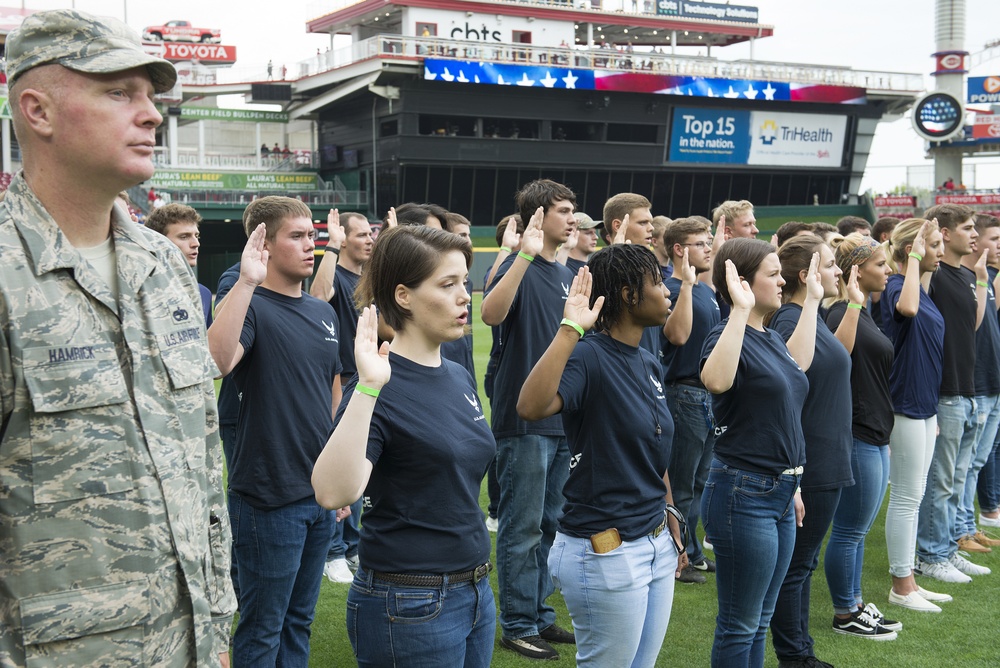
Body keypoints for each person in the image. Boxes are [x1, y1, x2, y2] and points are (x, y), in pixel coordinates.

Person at [0, 9, 235, 666]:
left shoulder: (162, 268)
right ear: (37, 111)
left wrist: (215, 631)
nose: (153, 114)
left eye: (152, 96)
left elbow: (201, 468)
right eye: (119, 92)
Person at [312, 225, 496, 667]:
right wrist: (370, 388)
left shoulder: (455, 374)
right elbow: (332, 492)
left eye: (463, 282)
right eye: (447, 284)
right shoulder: (377, 384)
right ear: (404, 295)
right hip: (409, 602)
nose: (464, 296)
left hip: (475, 591)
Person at [517, 244, 684, 666]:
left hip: (653, 542)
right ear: (628, 294)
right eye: (658, 283)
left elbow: (654, 447)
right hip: (606, 551)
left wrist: (669, 513)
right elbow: (530, 407)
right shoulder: (588, 355)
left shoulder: (647, 360)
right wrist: (570, 329)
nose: (668, 292)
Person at [207, 196, 343, 666]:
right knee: (263, 628)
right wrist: (247, 280)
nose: (312, 246)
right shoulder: (249, 302)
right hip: (268, 498)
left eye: (313, 235)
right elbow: (218, 362)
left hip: (317, 498)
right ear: (263, 243)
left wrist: (336, 479)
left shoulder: (323, 313)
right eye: (298, 236)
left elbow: (332, 393)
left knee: (298, 622)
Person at [769, 236, 891, 667]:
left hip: (829, 458)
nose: (840, 271)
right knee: (796, 566)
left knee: (803, 563)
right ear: (806, 276)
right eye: (831, 266)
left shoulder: (812, 317)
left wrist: (854, 304)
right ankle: (796, 656)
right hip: (812, 463)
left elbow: (835, 356)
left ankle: (800, 653)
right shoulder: (789, 320)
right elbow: (788, 376)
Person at [700, 238, 820, 667]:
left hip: (782, 491)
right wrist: (738, 309)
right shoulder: (726, 333)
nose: (783, 280)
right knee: (740, 623)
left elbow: (799, 366)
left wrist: (813, 303)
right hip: (743, 493)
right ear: (743, 283)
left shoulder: (768, 337)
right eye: (773, 273)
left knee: (760, 617)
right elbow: (714, 380)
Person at [481, 179, 577, 661]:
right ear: (538, 217)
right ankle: (517, 623)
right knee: (522, 527)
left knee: (550, 523)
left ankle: (537, 614)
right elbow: (490, 314)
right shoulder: (523, 266)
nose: (573, 217)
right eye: (563, 210)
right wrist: (521, 252)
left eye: (573, 208)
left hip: (560, 419)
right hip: (523, 421)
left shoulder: (563, 274)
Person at [823, 234, 901, 640]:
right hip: (856, 433)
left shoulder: (864, 311)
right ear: (857, 271)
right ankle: (844, 612)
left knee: (857, 531)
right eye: (880, 265)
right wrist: (853, 302)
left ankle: (854, 604)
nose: (888, 270)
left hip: (874, 433)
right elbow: (837, 359)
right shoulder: (841, 312)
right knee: (849, 530)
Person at [915, 204, 991, 583]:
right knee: (941, 480)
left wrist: (979, 279)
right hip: (945, 392)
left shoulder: (962, 273)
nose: (974, 234)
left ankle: (946, 548)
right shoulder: (935, 273)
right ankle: (930, 555)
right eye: (967, 228)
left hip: (967, 389)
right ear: (943, 234)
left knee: (958, 477)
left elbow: (972, 325)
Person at [880, 218, 953, 611]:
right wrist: (913, 258)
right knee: (907, 498)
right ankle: (901, 586)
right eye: (934, 245)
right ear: (914, 250)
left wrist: (934, 412)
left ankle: (909, 581)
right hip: (904, 403)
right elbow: (905, 308)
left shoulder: (921, 288)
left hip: (924, 406)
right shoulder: (898, 285)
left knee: (916, 493)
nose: (940, 252)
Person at [659, 216, 720, 584]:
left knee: (699, 483)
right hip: (684, 394)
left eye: (710, 240)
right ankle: (677, 554)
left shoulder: (704, 289)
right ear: (680, 250)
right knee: (682, 484)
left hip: (706, 396)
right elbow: (675, 341)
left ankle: (693, 550)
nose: (709, 247)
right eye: (701, 242)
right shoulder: (669, 288)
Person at [145, 203, 213, 327]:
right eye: (184, 237)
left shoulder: (203, 293)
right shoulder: (142, 293)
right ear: (157, 241)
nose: (196, 243)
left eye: (197, 236)